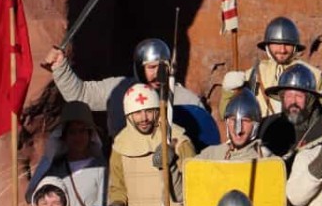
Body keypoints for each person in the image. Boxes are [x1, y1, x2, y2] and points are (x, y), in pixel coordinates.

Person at [44, 37, 205, 137]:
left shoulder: (187, 99)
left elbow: (204, 137)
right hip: (126, 172)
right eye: (152, 67)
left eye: (163, 67)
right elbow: (81, 94)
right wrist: (60, 67)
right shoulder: (119, 89)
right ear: (139, 67)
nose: (158, 73)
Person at [107, 84, 196, 206]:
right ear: (129, 115)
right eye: (137, 113)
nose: (144, 118)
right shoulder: (120, 147)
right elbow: (118, 189)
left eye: (148, 111)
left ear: (157, 110)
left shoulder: (179, 142)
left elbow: (193, 188)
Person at [222, 16, 322, 116]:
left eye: (287, 44)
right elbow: (227, 114)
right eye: (276, 43)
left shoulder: (315, 75)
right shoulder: (253, 74)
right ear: (267, 45)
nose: (282, 50)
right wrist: (228, 92)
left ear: (295, 46)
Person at [26, 102, 106, 206]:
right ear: (64, 136)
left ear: (90, 135)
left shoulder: (100, 169)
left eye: (82, 131)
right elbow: (34, 198)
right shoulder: (54, 169)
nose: (78, 137)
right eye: (72, 132)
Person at [264, 63, 322, 152]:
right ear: (282, 98)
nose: (293, 102)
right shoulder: (268, 126)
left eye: (299, 96)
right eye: (289, 96)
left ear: (310, 100)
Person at [197, 91, 272, 161]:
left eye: (245, 120)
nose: (238, 129)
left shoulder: (268, 160)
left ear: (255, 125)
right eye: (233, 120)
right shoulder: (210, 156)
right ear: (227, 122)